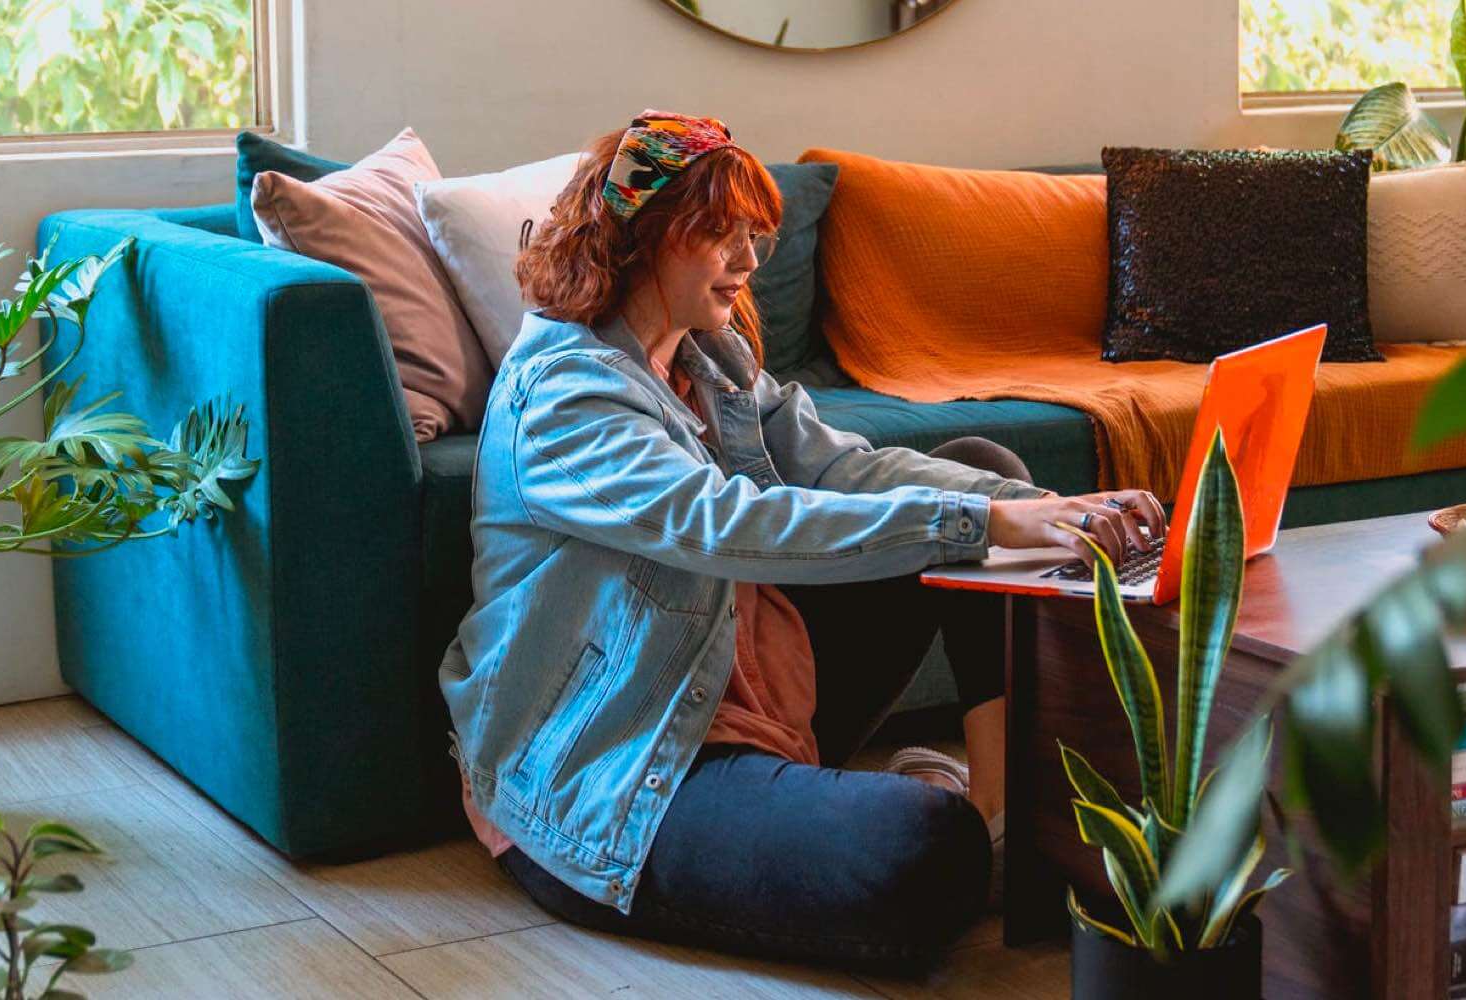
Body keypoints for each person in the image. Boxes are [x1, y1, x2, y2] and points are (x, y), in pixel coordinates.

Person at [438, 110, 1164, 969]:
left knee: (976, 463)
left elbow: (842, 469)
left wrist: (1041, 504)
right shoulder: (564, 399)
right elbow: (727, 521)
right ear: (643, 238)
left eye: (754, 237)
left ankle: (1000, 826)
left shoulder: (707, 359)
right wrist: (984, 520)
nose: (747, 263)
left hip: (740, 687)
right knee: (923, 850)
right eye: (721, 236)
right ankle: (931, 821)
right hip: (617, 765)